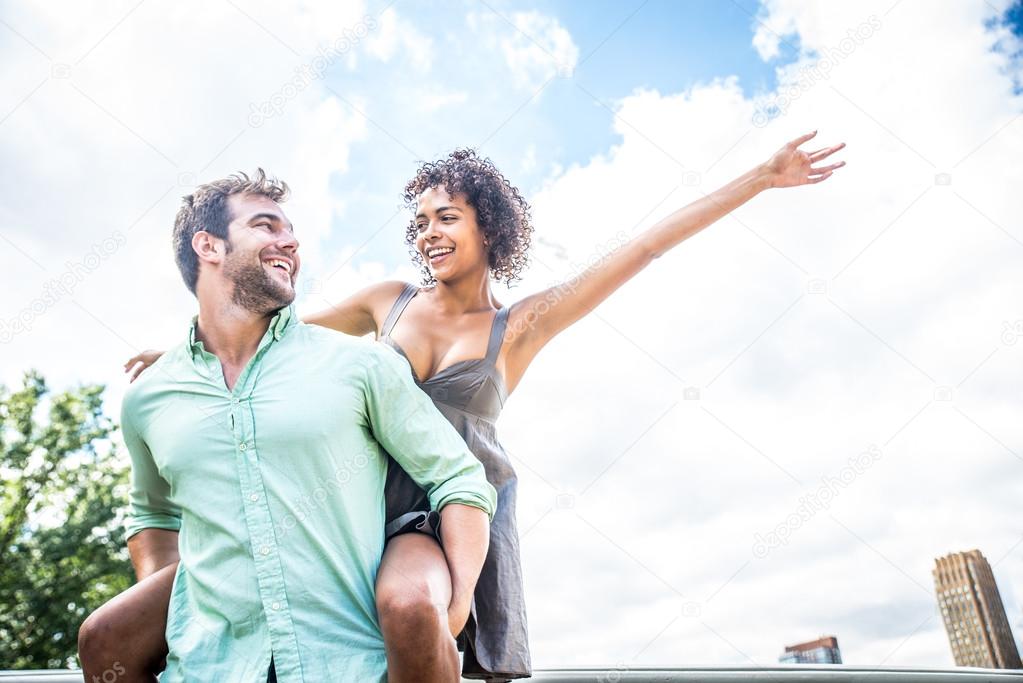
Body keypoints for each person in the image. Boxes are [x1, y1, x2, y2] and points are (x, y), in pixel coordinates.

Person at [86, 131, 845, 681]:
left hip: (444, 510)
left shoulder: (519, 326)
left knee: (419, 617)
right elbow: (262, 337)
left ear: (489, 224)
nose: (428, 233)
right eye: (419, 223)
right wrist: (173, 359)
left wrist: (757, 177)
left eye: (445, 216)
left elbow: (641, 249)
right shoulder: (387, 301)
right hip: (353, 499)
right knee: (120, 635)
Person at [76, 170, 498, 683]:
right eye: (265, 226)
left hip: (351, 667)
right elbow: (153, 515)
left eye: (290, 231)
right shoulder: (147, 398)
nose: (290, 241)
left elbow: (459, 480)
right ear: (208, 245)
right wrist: (180, 616)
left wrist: (447, 616)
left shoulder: (361, 366)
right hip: (207, 671)